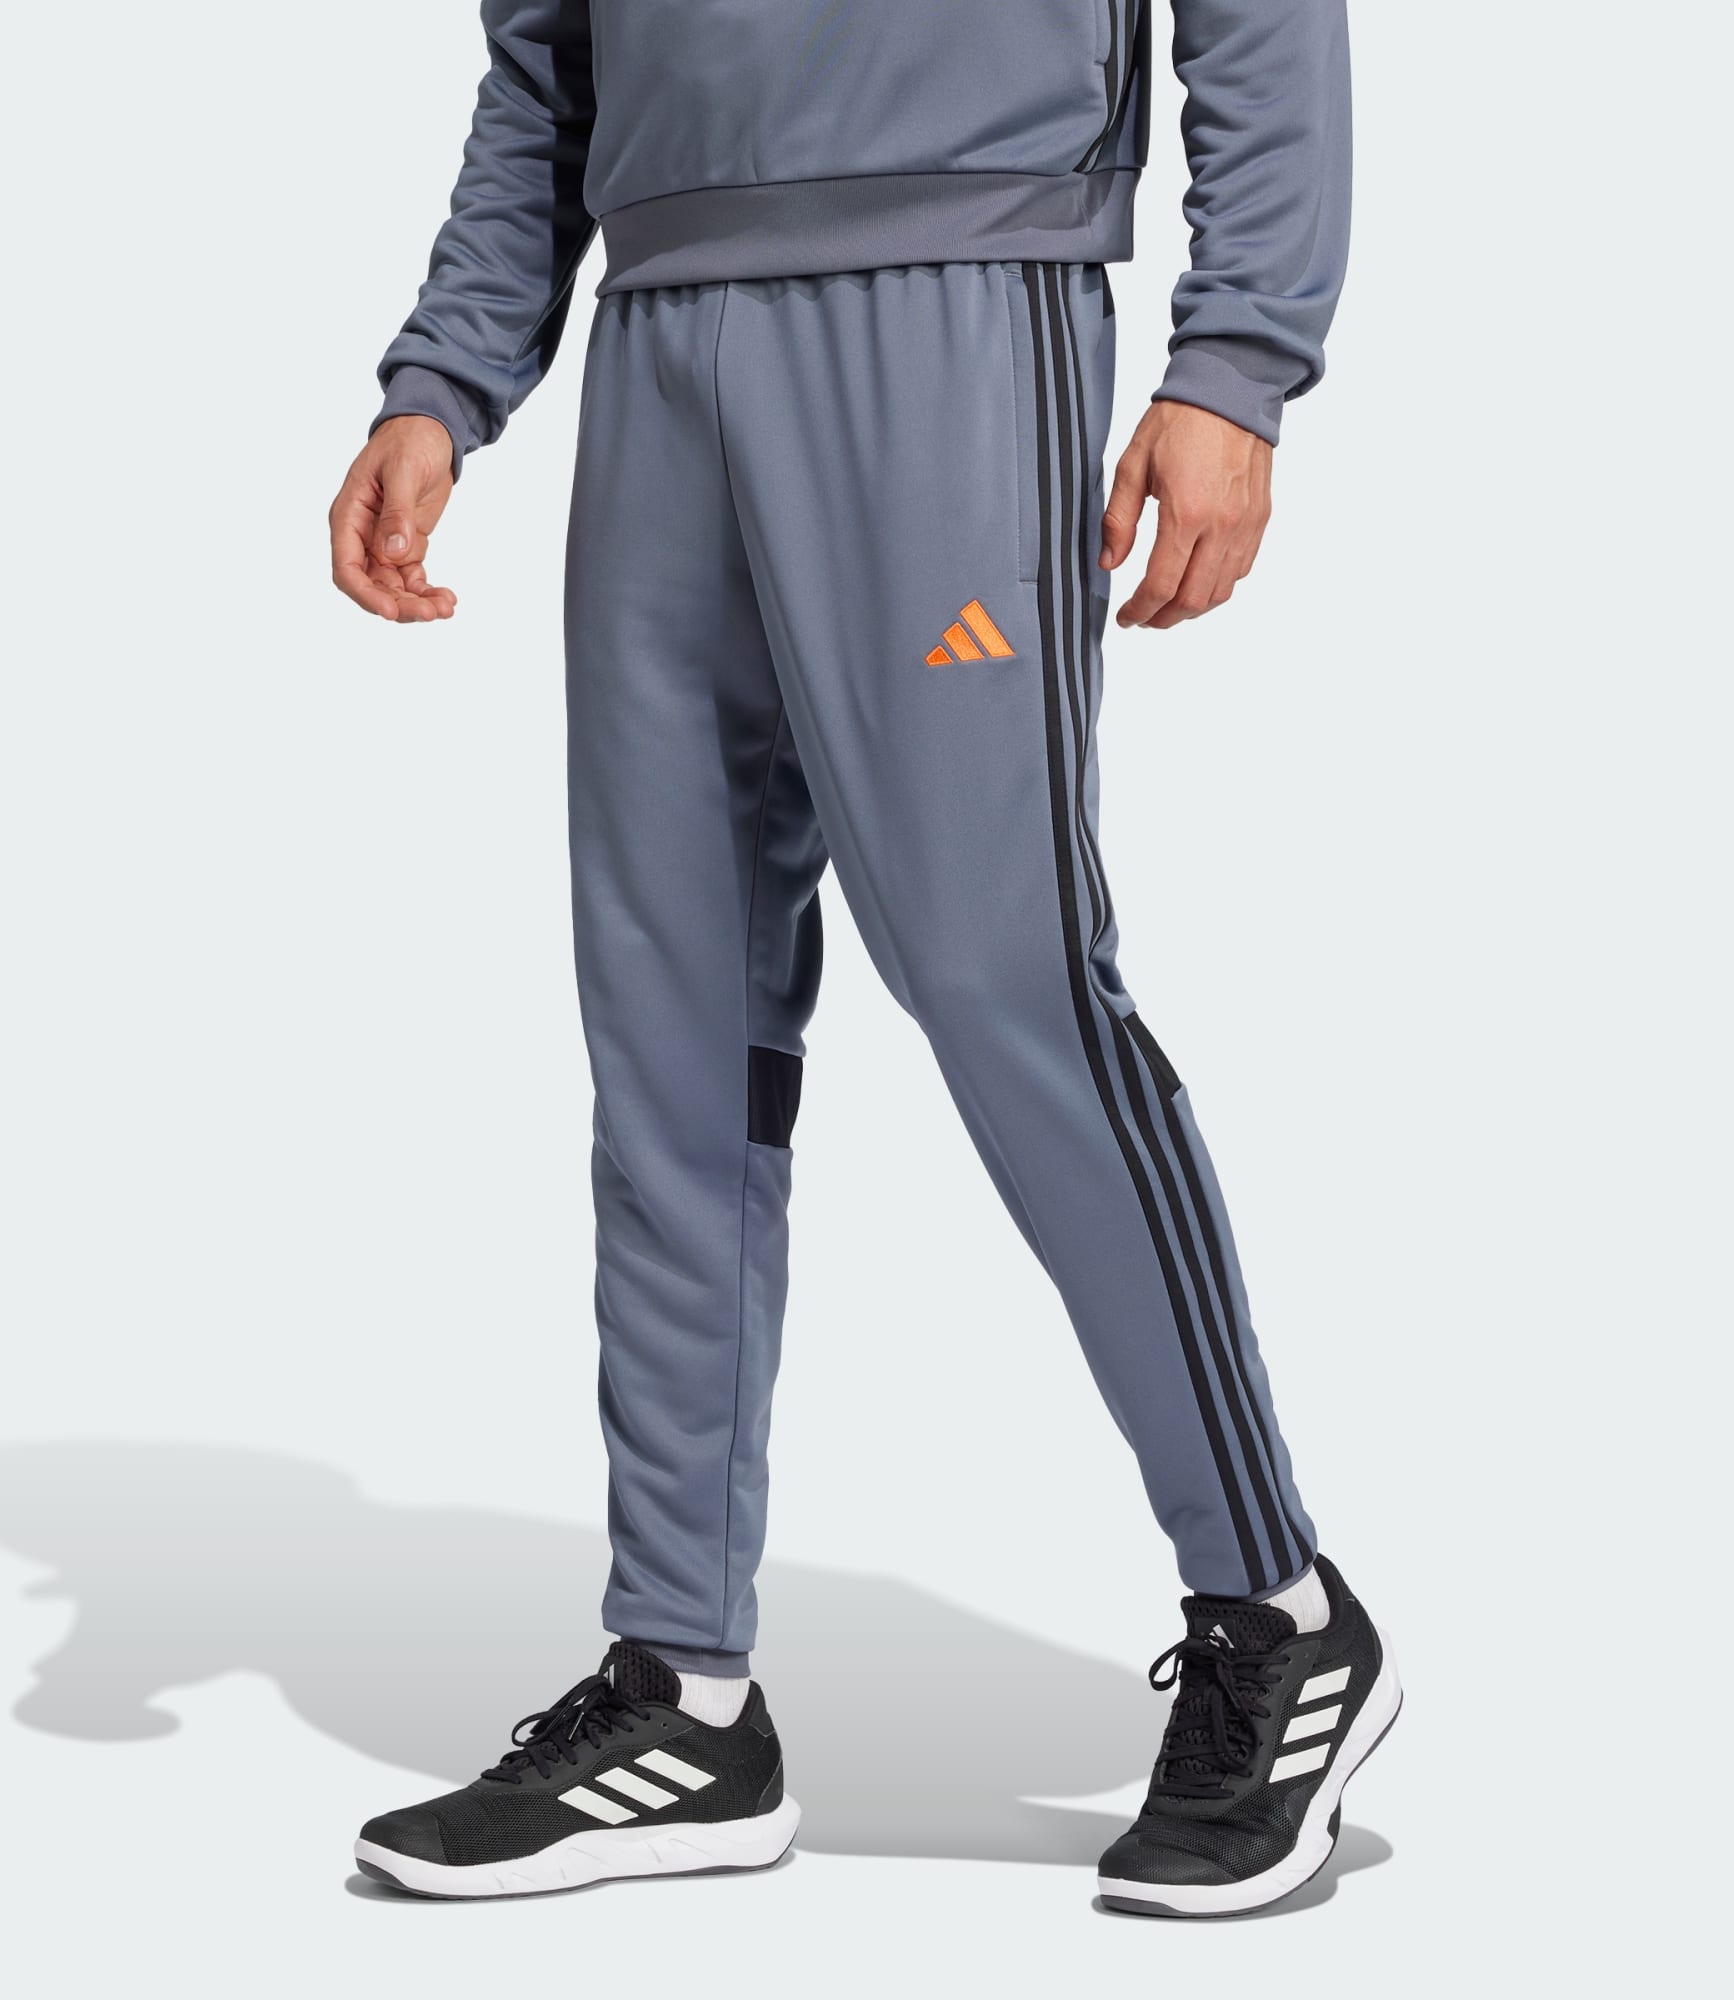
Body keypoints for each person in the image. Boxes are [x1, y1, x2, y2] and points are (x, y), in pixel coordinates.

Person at [331, 0, 1396, 1916]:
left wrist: (1237, 360)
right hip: (662, 335)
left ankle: (1281, 1613)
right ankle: (684, 1688)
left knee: (1010, 986)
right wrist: (447, 373)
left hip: (956, 297)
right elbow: (549, 63)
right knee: (672, 1034)